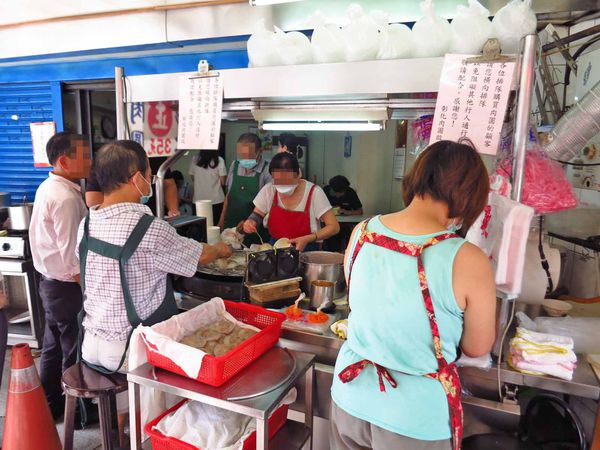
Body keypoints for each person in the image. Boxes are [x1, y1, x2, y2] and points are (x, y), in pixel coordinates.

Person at [330, 140, 496, 450]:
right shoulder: (467, 258)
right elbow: (477, 346)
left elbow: (364, 303)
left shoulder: (362, 233)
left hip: (349, 397)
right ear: (470, 196)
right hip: (413, 419)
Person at [76, 140, 231, 439]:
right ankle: (153, 435)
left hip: (90, 343)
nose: (150, 180)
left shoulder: (87, 222)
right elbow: (199, 255)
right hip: (130, 351)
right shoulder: (147, 227)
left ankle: (121, 432)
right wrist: (221, 249)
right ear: (136, 178)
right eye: (149, 173)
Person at [29, 131, 91, 419]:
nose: (91, 161)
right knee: (71, 350)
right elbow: (71, 256)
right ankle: (75, 413)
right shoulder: (65, 198)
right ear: (65, 161)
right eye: (86, 155)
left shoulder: (49, 187)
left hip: (50, 284)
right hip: (65, 287)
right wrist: (90, 289)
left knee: (52, 348)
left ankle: (51, 406)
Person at [242, 152, 340, 252]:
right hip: (276, 248)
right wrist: (251, 222)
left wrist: (310, 238)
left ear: (298, 174)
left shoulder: (314, 193)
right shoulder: (269, 189)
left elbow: (334, 226)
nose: (284, 192)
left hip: (307, 249)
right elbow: (257, 214)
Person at [218, 133, 272, 244]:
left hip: (254, 230)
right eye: (241, 155)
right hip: (231, 227)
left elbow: (269, 206)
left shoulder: (267, 171)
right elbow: (228, 195)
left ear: (260, 151)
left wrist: (250, 222)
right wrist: (221, 220)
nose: (244, 159)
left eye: (249, 155)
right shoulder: (235, 165)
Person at [86, 154, 180, 218]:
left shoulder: (155, 156)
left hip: (154, 216)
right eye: (148, 177)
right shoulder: (105, 160)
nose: (149, 180)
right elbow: (92, 199)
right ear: (137, 178)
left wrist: (173, 210)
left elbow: (169, 185)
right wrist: (119, 216)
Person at [189, 150, 227, 222]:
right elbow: (223, 182)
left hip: (198, 201)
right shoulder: (219, 160)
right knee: (215, 229)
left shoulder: (195, 159)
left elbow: (192, 177)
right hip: (216, 200)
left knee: (200, 228)